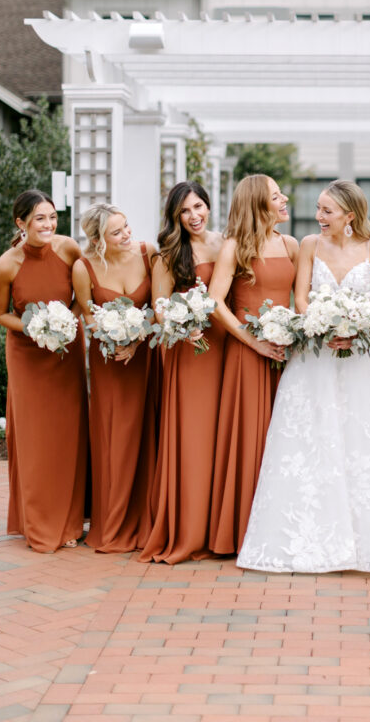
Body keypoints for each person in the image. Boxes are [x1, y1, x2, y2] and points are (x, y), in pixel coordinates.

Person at [237, 179, 370, 574]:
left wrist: (354, 328)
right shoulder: (308, 245)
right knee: (311, 438)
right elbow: (300, 297)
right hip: (315, 356)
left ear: (350, 216)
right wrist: (319, 324)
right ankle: (303, 538)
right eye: (318, 208)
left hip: (361, 360)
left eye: (327, 211)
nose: (319, 217)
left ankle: (364, 542)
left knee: (359, 442)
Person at [0, 190, 88, 553]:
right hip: (28, 358)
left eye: (52, 217)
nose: (49, 225)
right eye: (40, 220)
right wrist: (35, 329)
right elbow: (1, 314)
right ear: (21, 224)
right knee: (35, 440)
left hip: (66, 355)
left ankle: (70, 521)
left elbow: (82, 296)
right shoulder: (7, 264)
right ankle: (37, 524)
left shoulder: (68, 249)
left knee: (67, 436)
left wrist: (66, 323)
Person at [209, 175, 298, 555]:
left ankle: (281, 526)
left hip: (286, 354)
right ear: (258, 205)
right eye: (276, 196)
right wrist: (253, 341)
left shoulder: (290, 244)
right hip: (247, 356)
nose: (284, 199)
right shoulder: (234, 247)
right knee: (251, 439)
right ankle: (242, 530)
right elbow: (214, 303)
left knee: (286, 439)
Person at [140, 182, 224, 564]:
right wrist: (182, 325)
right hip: (190, 353)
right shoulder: (169, 255)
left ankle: (221, 526)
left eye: (199, 206)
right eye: (186, 211)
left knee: (221, 437)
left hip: (224, 348)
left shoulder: (225, 243)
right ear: (175, 217)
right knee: (194, 438)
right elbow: (160, 307)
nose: (195, 216)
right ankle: (190, 528)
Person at [72, 204, 157, 553]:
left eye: (126, 227)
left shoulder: (147, 253)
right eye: (117, 232)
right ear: (97, 239)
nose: (127, 235)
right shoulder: (84, 267)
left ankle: (146, 517)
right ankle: (111, 520)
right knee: (113, 436)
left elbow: (159, 306)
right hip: (108, 362)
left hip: (144, 360)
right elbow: (88, 317)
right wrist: (112, 338)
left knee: (145, 432)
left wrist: (136, 339)